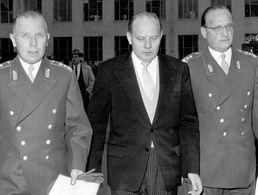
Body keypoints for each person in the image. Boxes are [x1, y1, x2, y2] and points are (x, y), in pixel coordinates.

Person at [87, 12, 202, 195]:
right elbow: (96, 125)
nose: (148, 45)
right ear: (129, 38)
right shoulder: (109, 71)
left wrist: (192, 168)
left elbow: (188, 124)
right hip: (124, 170)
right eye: (141, 39)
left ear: (161, 36)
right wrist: (90, 171)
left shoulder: (179, 70)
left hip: (165, 166)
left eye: (154, 38)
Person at [0, 10, 93, 195]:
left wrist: (77, 165)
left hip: (55, 180)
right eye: (25, 36)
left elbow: (78, 127)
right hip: (11, 181)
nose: (33, 43)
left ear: (47, 38)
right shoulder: (1, 76)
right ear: (13, 39)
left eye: (39, 36)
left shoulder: (64, 76)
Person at [182, 5, 258, 195]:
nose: (225, 33)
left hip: (242, 169)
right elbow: (182, 125)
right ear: (203, 32)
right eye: (217, 28)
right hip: (204, 170)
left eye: (229, 26)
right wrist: (188, 168)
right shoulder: (190, 67)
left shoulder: (251, 64)